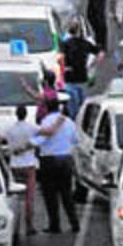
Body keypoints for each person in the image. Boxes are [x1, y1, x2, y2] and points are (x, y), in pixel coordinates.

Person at [32, 100, 80, 233]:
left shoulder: (46, 122)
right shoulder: (69, 122)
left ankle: (55, 224)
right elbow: (75, 139)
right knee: (67, 193)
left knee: (50, 194)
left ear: (46, 109)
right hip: (66, 159)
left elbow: (40, 140)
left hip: (49, 160)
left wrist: (27, 143)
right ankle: (74, 223)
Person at [2, 105, 40, 235]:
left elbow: (1, 141)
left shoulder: (10, 129)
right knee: (29, 198)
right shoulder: (32, 128)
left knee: (15, 199)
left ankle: (13, 228)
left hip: (15, 166)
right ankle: (29, 226)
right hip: (29, 165)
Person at [60, 20, 103, 119]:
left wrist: (64, 69)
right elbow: (99, 53)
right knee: (83, 104)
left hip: (70, 78)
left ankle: (74, 119)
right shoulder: (85, 44)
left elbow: (61, 58)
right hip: (82, 77)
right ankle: (82, 119)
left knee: (72, 103)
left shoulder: (66, 43)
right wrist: (93, 66)